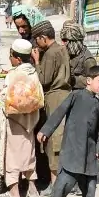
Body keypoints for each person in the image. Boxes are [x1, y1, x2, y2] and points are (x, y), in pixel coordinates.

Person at [36, 66, 99, 197]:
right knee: (66, 180)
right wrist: (46, 130)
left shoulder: (98, 105)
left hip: (89, 149)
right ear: (89, 81)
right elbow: (59, 112)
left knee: (90, 180)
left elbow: (98, 130)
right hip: (73, 146)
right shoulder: (76, 96)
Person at [0, 40, 44, 197]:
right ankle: (32, 189)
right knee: (29, 153)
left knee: (12, 156)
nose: (10, 59)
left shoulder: (13, 75)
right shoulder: (33, 72)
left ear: (16, 58)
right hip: (30, 121)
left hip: (14, 121)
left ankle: (14, 193)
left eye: (11, 56)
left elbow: (6, 98)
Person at [32, 21, 71, 187]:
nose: (36, 44)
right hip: (65, 95)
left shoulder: (49, 54)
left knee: (54, 140)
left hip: (54, 97)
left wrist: (36, 61)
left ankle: (56, 184)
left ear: (43, 38)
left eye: (37, 40)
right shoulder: (62, 49)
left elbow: (44, 80)